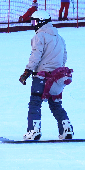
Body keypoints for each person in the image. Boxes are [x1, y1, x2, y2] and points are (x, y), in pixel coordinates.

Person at [17, 10, 74, 141]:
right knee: (56, 104)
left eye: (34, 21)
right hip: (58, 77)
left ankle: (34, 130)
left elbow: (36, 55)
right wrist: (56, 69)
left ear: (41, 21)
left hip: (42, 77)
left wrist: (27, 71)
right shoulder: (59, 37)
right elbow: (64, 57)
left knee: (35, 103)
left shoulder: (40, 36)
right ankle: (66, 129)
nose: (33, 25)